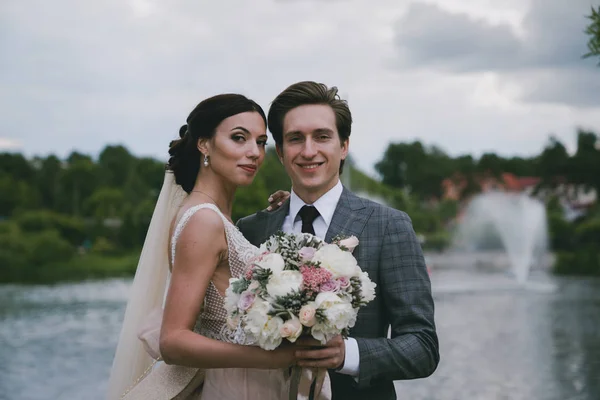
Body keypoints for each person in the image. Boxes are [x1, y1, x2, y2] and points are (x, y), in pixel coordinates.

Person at [237, 81, 440, 400]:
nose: (308, 151)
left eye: (322, 136)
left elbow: (423, 347)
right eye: (295, 139)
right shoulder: (250, 229)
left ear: (343, 145)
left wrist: (349, 355)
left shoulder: (389, 226)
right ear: (280, 151)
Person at [106, 94, 299, 400]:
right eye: (239, 138)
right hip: (238, 388)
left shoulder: (213, 216)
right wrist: (275, 358)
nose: (254, 152)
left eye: (261, 142)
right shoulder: (204, 221)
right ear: (204, 144)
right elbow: (173, 341)